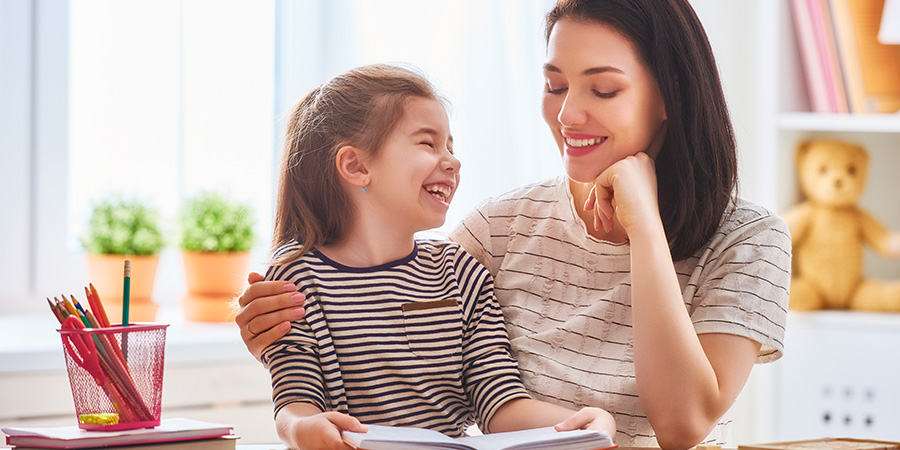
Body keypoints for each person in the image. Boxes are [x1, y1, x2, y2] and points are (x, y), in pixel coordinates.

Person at [236, 1, 790, 448]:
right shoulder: (499, 230)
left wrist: (644, 226)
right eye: (554, 85)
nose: (569, 113)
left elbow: (682, 425)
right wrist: (268, 324)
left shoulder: (749, 240)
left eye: (603, 89)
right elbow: (380, 301)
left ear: (670, 94)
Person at [259, 63, 615, 450]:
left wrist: (579, 423)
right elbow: (296, 403)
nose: (452, 161)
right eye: (428, 144)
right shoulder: (296, 281)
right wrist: (302, 430)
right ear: (356, 166)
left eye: (450, 146)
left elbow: (500, 405)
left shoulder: (461, 272)